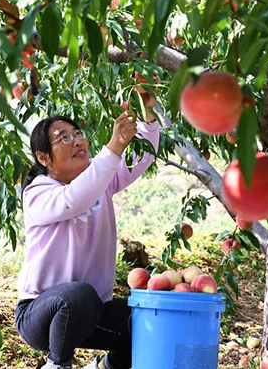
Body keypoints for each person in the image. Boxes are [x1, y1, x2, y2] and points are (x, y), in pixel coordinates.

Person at [14, 101, 160, 369]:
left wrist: (147, 111)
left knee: (152, 322)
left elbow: (142, 156)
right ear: (44, 158)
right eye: (64, 138)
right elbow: (74, 199)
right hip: (40, 314)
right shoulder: (38, 193)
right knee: (79, 295)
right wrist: (114, 146)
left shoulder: (98, 176)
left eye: (78, 133)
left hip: (93, 310)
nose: (77, 141)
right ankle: (58, 364)